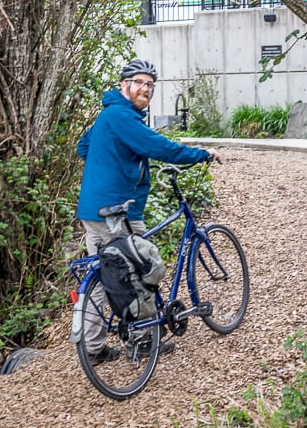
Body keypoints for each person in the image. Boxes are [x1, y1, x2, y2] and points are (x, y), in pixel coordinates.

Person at [76, 59, 222, 364]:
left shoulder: (110, 114)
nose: (145, 89)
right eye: (139, 82)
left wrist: (117, 161)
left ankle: (94, 348)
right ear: (123, 85)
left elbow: (84, 148)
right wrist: (201, 155)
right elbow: (160, 147)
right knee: (142, 269)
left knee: (104, 276)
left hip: (95, 209)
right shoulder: (121, 116)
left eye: (150, 85)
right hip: (116, 212)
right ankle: (141, 340)